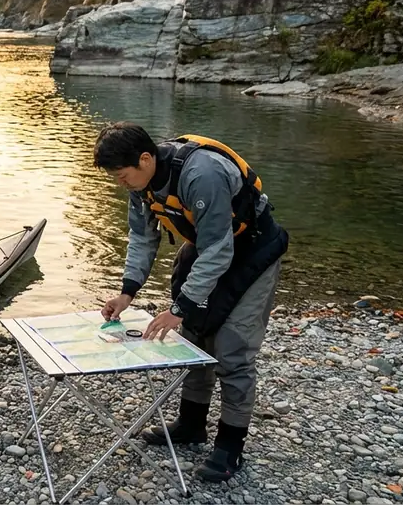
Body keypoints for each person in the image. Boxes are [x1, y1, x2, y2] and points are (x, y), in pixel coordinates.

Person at [93, 122, 289, 483]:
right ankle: (191, 424)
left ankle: (230, 447)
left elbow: (218, 250)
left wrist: (178, 308)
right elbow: (141, 238)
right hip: (206, 249)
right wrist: (127, 291)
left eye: (122, 176)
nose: (121, 183)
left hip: (251, 251)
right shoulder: (141, 184)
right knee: (195, 337)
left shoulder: (202, 175)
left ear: (146, 158)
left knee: (232, 350)